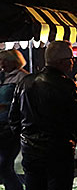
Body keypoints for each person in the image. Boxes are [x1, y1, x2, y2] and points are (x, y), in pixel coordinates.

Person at [9, 41, 77, 190]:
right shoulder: (67, 85)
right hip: (59, 152)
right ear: (61, 62)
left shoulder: (25, 82)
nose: (73, 62)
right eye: (71, 58)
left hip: (31, 152)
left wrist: (25, 137)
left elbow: (14, 118)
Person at [0, 50, 28, 190]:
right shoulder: (4, 77)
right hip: (2, 125)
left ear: (14, 61)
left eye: (5, 60)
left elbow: (24, 103)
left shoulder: (22, 77)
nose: (2, 64)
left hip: (11, 127)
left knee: (4, 163)